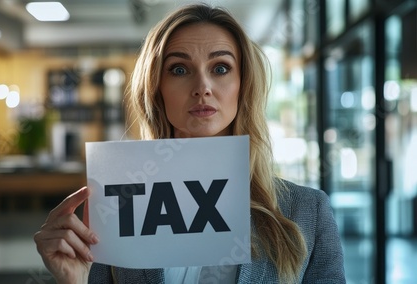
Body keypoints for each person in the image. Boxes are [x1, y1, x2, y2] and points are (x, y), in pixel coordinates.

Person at [34, 3, 346, 283]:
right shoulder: (116, 204)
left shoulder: (307, 211)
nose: (202, 87)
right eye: (179, 69)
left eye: (220, 68)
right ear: (157, 88)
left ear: (243, 85)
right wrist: (74, 281)